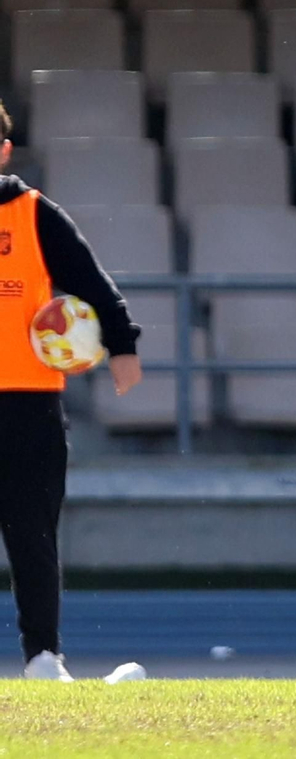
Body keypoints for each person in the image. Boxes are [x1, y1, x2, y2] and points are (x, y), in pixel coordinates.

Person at [0, 101, 142, 681]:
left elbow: (90, 279)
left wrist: (123, 344)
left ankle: (42, 658)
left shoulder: (34, 214)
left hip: (29, 401)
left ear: (4, 151)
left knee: (33, 534)